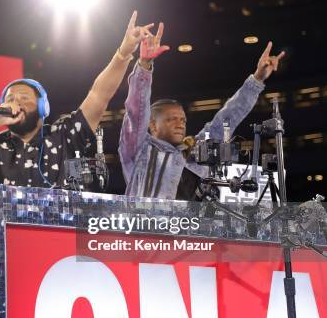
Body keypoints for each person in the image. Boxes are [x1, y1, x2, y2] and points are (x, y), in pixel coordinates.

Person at [0, 11, 154, 188]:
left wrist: (124, 53)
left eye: (24, 98)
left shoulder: (64, 134)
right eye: (10, 98)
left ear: (43, 107)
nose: (16, 102)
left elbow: (99, 95)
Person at [118, 24, 285, 200]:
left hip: (194, 227)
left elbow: (228, 116)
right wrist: (144, 65)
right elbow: (136, 112)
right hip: (148, 226)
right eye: (171, 119)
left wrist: (258, 78)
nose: (180, 123)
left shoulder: (197, 151)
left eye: (182, 120)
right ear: (153, 125)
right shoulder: (140, 150)